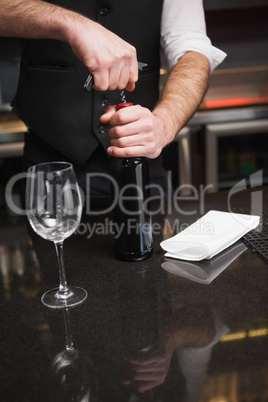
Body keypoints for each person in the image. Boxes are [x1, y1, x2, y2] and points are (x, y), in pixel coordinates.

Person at [0, 0, 226, 206]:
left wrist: (164, 125)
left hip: (142, 168)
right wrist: (70, 24)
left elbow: (191, 47)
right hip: (51, 166)